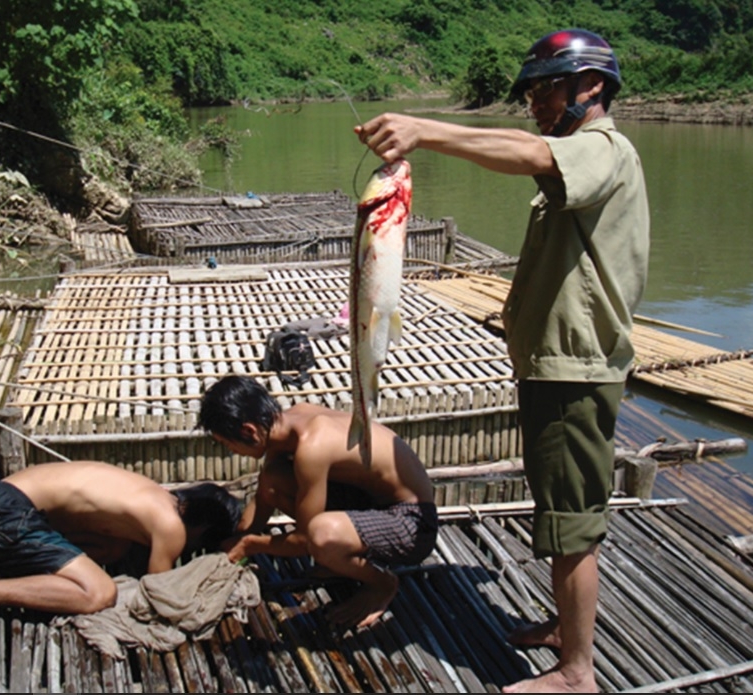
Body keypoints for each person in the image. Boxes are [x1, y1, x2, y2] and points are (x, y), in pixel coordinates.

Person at [355, 28, 649, 694]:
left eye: (547, 88)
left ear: (591, 85)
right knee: (560, 509)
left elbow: (528, 153)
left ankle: (576, 673)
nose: (534, 103)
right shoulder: (574, 160)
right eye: (531, 93)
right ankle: (564, 628)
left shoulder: (603, 148)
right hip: (551, 365)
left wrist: (424, 130)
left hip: (574, 370)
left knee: (570, 524)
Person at [197, 374, 438, 629]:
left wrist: (250, 545)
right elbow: (265, 496)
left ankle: (382, 583)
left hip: (413, 523)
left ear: (249, 431)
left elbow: (305, 541)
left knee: (321, 536)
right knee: (273, 478)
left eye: (227, 444)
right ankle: (343, 558)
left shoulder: (312, 446)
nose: (231, 451)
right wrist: (236, 539)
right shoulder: (289, 419)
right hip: (371, 502)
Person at [0, 460, 242, 650]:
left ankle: (0, 562)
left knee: (116, 548)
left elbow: (115, 549)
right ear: (203, 528)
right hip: (2, 516)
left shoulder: (155, 495)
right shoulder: (171, 525)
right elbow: (160, 593)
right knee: (101, 593)